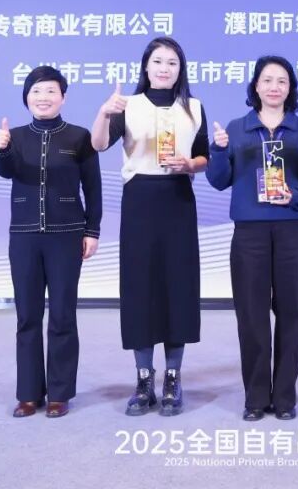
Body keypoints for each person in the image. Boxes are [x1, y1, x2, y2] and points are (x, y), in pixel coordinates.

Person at [206, 56, 298, 421]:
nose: (274, 87)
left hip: (293, 230)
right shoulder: (237, 128)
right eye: (267, 80)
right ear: (256, 86)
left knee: (291, 314)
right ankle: (256, 397)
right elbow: (218, 180)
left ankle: (286, 398)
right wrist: (217, 150)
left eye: (282, 81)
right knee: (252, 316)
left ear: (290, 88)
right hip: (250, 233)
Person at [90, 37, 209, 417]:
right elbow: (98, 144)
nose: (164, 68)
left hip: (178, 199)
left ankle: (173, 377)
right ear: (146, 66)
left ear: (180, 69)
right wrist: (104, 112)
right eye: (157, 61)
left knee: (178, 286)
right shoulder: (127, 105)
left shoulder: (193, 107)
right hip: (139, 200)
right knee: (140, 287)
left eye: (172, 62)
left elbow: (204, 155)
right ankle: (144, 378)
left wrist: (190, 164)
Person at [0, 65, 101, 419]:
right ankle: (28, 394)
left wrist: (92, 231)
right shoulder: (14, 137)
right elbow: (5, 171)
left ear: (63, 97)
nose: (43, 97)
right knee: (27, 316)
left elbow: (93, 189)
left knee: (62, 315)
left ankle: (59, 393)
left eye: (51, 91)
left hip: (66, 237)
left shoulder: (80, 137)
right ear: (27, 98)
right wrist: (1, 149)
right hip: (24, 237)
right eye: (36, 91)